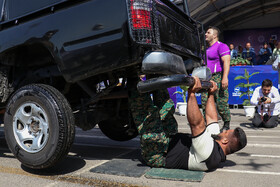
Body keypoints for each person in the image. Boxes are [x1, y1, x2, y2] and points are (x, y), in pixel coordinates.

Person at [128, 77, 247, 171]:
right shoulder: (217, 141)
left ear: (225, 141)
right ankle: (154, 75)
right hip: (170, 138)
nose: (222, 131)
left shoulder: (209, 155)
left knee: (150, 114)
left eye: (225, 132)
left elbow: (197, 124)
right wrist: (211, 93)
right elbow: (211, 118)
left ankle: (132, 78)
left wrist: (192, 93)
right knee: (167, 107)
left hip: (158, 154)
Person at [202, 26, 231, 132]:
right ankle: (208, 125)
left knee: (221, 103)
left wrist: (224, 78)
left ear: (214, 35)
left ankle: (226, 124)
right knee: (205, 102)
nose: (205, 34)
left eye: (208, 32)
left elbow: (226, 62)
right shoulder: (206, 49)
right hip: (206, 78)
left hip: (218, 77)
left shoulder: (222, 46)